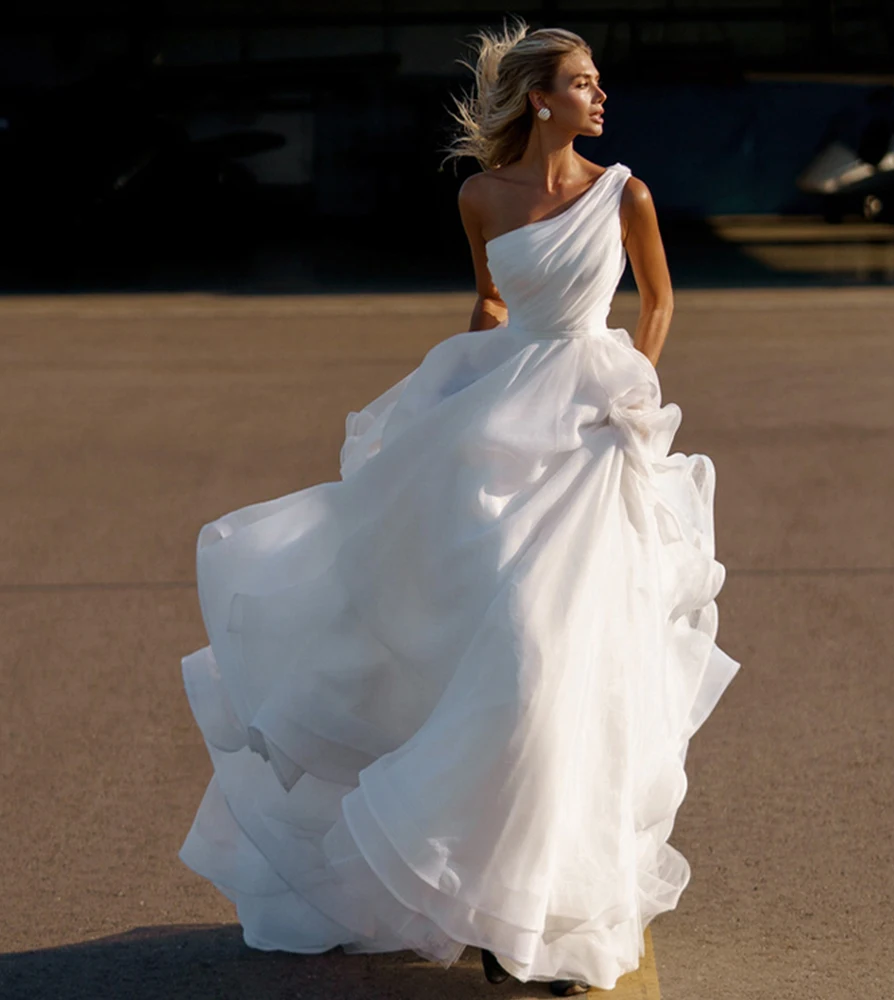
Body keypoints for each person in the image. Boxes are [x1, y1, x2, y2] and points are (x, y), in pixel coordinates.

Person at [178, 16, 740, 998]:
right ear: (539, 97)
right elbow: (488, 305)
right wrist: (444, 401)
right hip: (496, 435)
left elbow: (656, 303)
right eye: (583, 81)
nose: (600, 95)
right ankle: (484, 886)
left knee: (570, 668)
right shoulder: (481, 196)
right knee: (504, 653)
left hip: (597, 437)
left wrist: (634, 387)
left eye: (598, 81)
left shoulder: (625, 194)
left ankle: (547, 902)